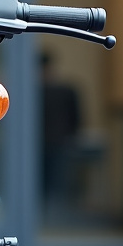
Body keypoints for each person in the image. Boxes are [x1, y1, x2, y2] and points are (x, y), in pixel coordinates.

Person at [39, 52, 84, 222]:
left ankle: (54, 217)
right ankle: (49, 217)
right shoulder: (36, 92)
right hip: (51, 142)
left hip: (57, 142)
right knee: (49, 181)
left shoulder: (64, 91)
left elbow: (75, 117)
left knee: (56, 180)